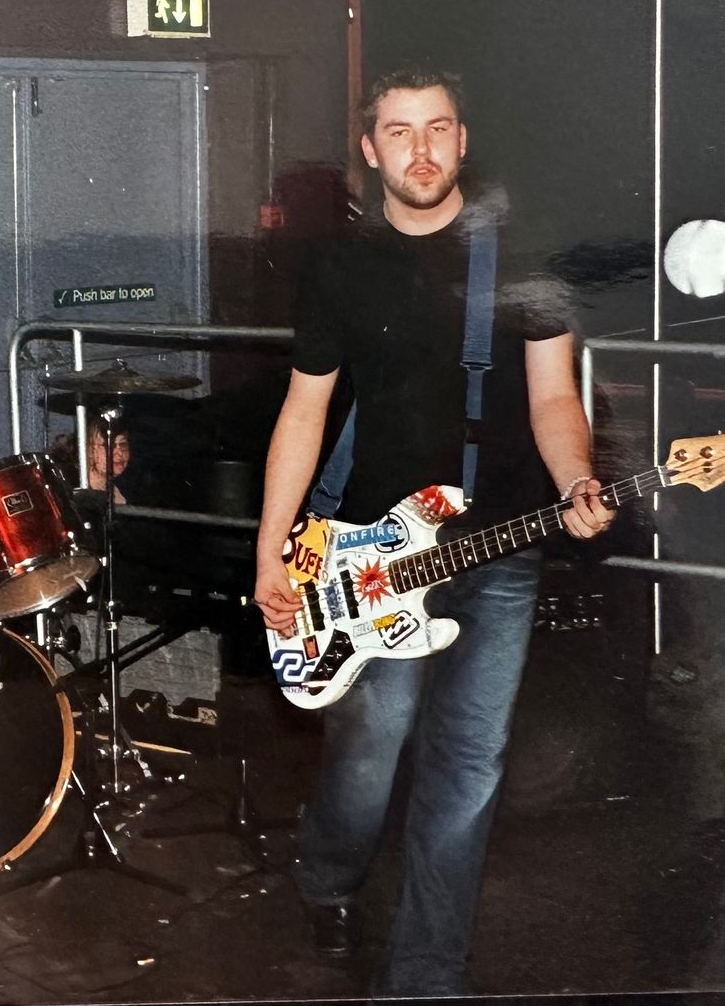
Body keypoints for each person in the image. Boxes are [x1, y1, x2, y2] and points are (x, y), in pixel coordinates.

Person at [252, 68, 614, 997]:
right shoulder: (339, 267)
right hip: (376, 553)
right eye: (400, 130)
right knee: (370, 750)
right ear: (370, 150)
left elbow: (553, 399)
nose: (422, 149)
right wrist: (271, 550)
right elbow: (304, 413)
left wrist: (575, 478)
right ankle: (327, 873)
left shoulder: (520, 257)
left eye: (438, 127)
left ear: (462, 138)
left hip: (500, 548)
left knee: (468, 764)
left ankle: (425, 974)